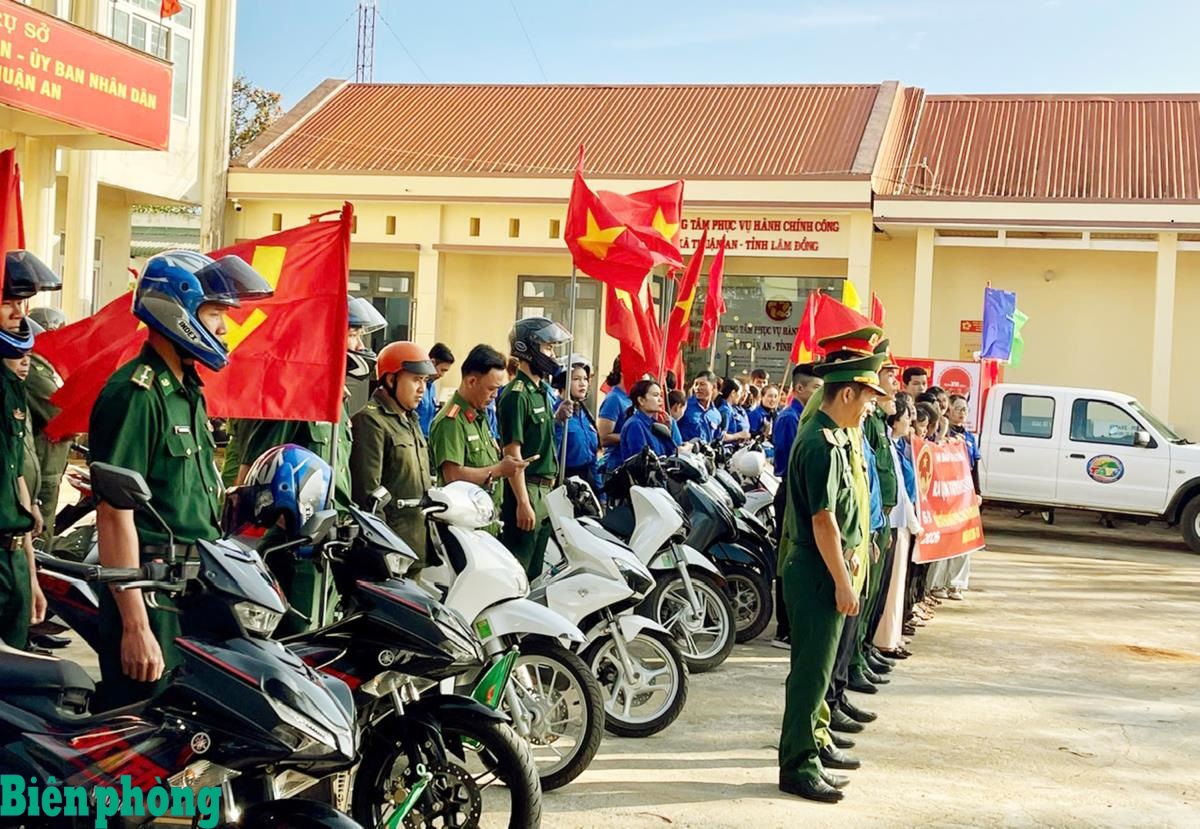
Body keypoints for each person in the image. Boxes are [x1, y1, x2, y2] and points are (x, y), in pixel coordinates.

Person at [89, 250, 272, 708]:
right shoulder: (136, 394)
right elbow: (114, 515)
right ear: (175, 310)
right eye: (214, 314)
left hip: (192, 589)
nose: (224, 328)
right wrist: (135, 626)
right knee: (143, 723)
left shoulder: (188, 392)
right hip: (151, 593)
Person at [777, 347, 885, 804]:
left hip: (827, 567)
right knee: (810, 676)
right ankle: (798, 766)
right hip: (817, 571)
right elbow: (823, 521)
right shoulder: (820, 443)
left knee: (818, 675)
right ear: (846, 394)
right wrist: (843, 581)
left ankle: (812, 750)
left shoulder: (836, 436)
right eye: (867, 398)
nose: (869, 408)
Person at [350, 341, 438, 567]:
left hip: (416, 543)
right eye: (416, 379)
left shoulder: (410, 419)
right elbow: (367, 494)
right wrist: (384, 550)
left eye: (425, 381)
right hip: (390, 551)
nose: (422, 388)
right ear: (391, 380)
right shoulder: (370, 421)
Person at [497, 317, 572, 580]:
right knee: (519, 572)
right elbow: (512, 454)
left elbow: (537, 436)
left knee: (536, 572)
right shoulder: (516, 395)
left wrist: (557, 418)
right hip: (527, 489)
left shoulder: (541, 391)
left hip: (545, 490)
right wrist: (523, 503)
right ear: (527, 348)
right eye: (548, 348)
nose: (553, 355)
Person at [2, 269, 53, 651]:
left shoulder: (13, 390)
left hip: (14, 556)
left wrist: (31, 575)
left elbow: (16, 478)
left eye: (22, 303)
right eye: (8, 303)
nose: (19, 313)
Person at [428, 344, 529, 516]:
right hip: (463, 521)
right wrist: (500, 470)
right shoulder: (451, 421)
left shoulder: (479, 415)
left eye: (497, 389)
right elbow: (453, 475)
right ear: (471, 382)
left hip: (485, 516)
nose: (495, 395)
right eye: (491, 389)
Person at [769, 364, 823, 649]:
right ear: (799, 388)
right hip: (791, 490)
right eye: (816, 388)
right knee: (789, 557)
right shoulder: (790, 418)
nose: (820, 393)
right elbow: (792, 460)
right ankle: (785, 627)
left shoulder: (805, 416)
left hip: (797, 489)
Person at [875, 393, 918, 659]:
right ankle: (883, 641)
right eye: (905, 417)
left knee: (896, 586)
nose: (909, 422)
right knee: (888, 588)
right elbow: (897, 491)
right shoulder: (886, 445)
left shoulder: (895, 446)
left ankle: (890, 638)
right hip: (891, 522)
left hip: (900, 522)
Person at [552, 355, 602, 495]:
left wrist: (600, 492)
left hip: (586, 484)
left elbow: (593, 459)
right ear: (563, 382)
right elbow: (552, 452)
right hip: (564, 483)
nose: (583, 384)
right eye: (576, 379)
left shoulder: (585, 414)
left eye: (585, 379)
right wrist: (558, 422)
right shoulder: (554, 413)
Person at [616, 379, 678, 463]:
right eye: (655, 395)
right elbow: (641, 461)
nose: (660, 400)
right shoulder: (635, 425)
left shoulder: (655, 424)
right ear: (641, 400)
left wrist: (667, 430)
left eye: (660, 395)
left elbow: (671, 453)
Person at [597, 357, 630, 470]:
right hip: (615, 465)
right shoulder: (614, 399)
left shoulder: (632, 398)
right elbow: (603, 438)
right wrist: (630, 436)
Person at [417, 342, 455, 437]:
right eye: (442, 370)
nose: (442, 375)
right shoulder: (417, 386)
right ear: (432, 362)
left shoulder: (432, 388)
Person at [678, 370, 722, 442]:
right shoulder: (684, 407)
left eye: (702, 384)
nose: (698, 388)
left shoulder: (716, 415)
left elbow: (716, 439)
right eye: (696, 384)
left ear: (713, 387)